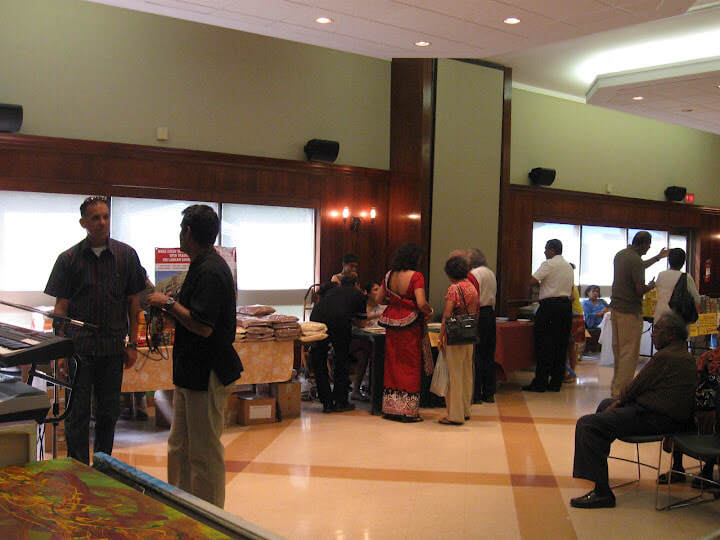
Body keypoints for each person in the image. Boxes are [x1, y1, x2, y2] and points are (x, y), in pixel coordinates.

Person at [147, 204, 243, 508]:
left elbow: (202, 326)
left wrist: (167, 304)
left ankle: (210, 516)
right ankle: (181, 507)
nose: (179, 235)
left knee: (204, 451)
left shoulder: (211, 271)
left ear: (188, 232)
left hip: (208, 371)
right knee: (180, 446)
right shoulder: (200, 265)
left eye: (181, 229)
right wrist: (167, 305)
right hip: (190, 371)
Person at [44, 196, 146, 465]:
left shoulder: (127, 255)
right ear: (83, 223)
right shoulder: (68, 259)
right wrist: (59, 351)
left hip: (112, 348)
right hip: (79, 349)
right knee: (77, 413)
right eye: (95, 218)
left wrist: (133, 344)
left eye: (106, 217)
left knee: (108, 414)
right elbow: (61, 308)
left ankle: (103, 467)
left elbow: (134, 303)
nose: (102, 222)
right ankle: (77, 468)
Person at [570, 312, 696, 509]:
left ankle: (602, 492)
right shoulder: (682, 354)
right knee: (604, 405)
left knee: (588, 424)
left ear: (671, 334)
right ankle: (598, 470)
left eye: (657, 330)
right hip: (664, 414)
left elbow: (636, 386)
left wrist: (620, 402)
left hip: (657, 417)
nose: (652, 334)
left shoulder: (667, 356)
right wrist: (618, 403)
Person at [375, 243, 433, 422]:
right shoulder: (416, 276)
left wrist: (396, 302)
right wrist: (429, 311)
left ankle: (391, 408)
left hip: (392, 322)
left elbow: (379, 299)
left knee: (392, 363)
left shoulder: (389, 275)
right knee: (410, 364)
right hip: (410, 324)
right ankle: (408, 411)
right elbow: (421, 303)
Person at [609, 232, 668, 397]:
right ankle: (622, 392)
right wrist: (651, 286)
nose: (649, 248)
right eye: (649, 245)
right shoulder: (635, 260)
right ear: (643, 244)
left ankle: (615, 388)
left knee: (619, 351)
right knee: (629, 353)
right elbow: (639, 289)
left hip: (616, 308)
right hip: (630, 311)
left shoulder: (621, 255)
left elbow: (638, 266)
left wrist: (657, 258)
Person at [309, 272, 367, 412]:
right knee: (342, 359)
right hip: (339, 321)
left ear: (341, 283)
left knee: (319, 359)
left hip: (317, 316)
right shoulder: (359, 295)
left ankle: (327, 402)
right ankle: (341, 401)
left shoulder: (334, 291)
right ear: (356, 284)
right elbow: (362, 323)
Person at [524, 239, 574, 393]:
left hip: (550, 307)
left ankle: (540, 382)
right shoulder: (568, 267)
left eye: (546, 249)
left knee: (544, 345)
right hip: (565, 307)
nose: (545, 252)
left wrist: (543, 284)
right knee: (561, 345)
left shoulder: (548, 264)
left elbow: (532, 281)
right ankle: (556, 382)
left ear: (552, 250)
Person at [438, 255, 479, 425]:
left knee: (454, 374)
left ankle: (455, 415)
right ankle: (465, 409)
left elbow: (447, 315)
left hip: (455, 336)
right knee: (466, 373)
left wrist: (441, 336)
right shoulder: (471, 287)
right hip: (469, 333)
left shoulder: (454, 289)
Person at [467, 249, 497, 403]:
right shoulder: (490, 273)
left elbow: (472, 297)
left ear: (472, 261)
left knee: (477, 354)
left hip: (478, 313)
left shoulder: (473, 274)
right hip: (490, 313)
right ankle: (489, 392)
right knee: (489, 353)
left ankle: (476, 394)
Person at [349, 281, 385, 401]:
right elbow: (357, 322)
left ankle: (375, 389)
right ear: (367, 293)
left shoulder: (383, 308)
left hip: (374, 339)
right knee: (366, 353)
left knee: (374, 351)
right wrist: (374, 316)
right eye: (375, 290)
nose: (379, 292)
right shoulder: (360, 306)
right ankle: (360, 389)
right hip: (355, 341)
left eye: (379, 289)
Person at [653, 248, 700, 320]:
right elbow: (697, 300)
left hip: (659, 316)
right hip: (677, 318)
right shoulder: (686, 277)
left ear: (669, 261)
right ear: (683, 262)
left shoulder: (661, 275)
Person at [565, 263, 585, 384]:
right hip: (575, 315)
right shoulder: (571, 283)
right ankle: (568, 372)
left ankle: (571, 373)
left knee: (570, 346)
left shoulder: (569, 283)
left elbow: (570, 298)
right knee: (569, 346)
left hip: (574, 316)